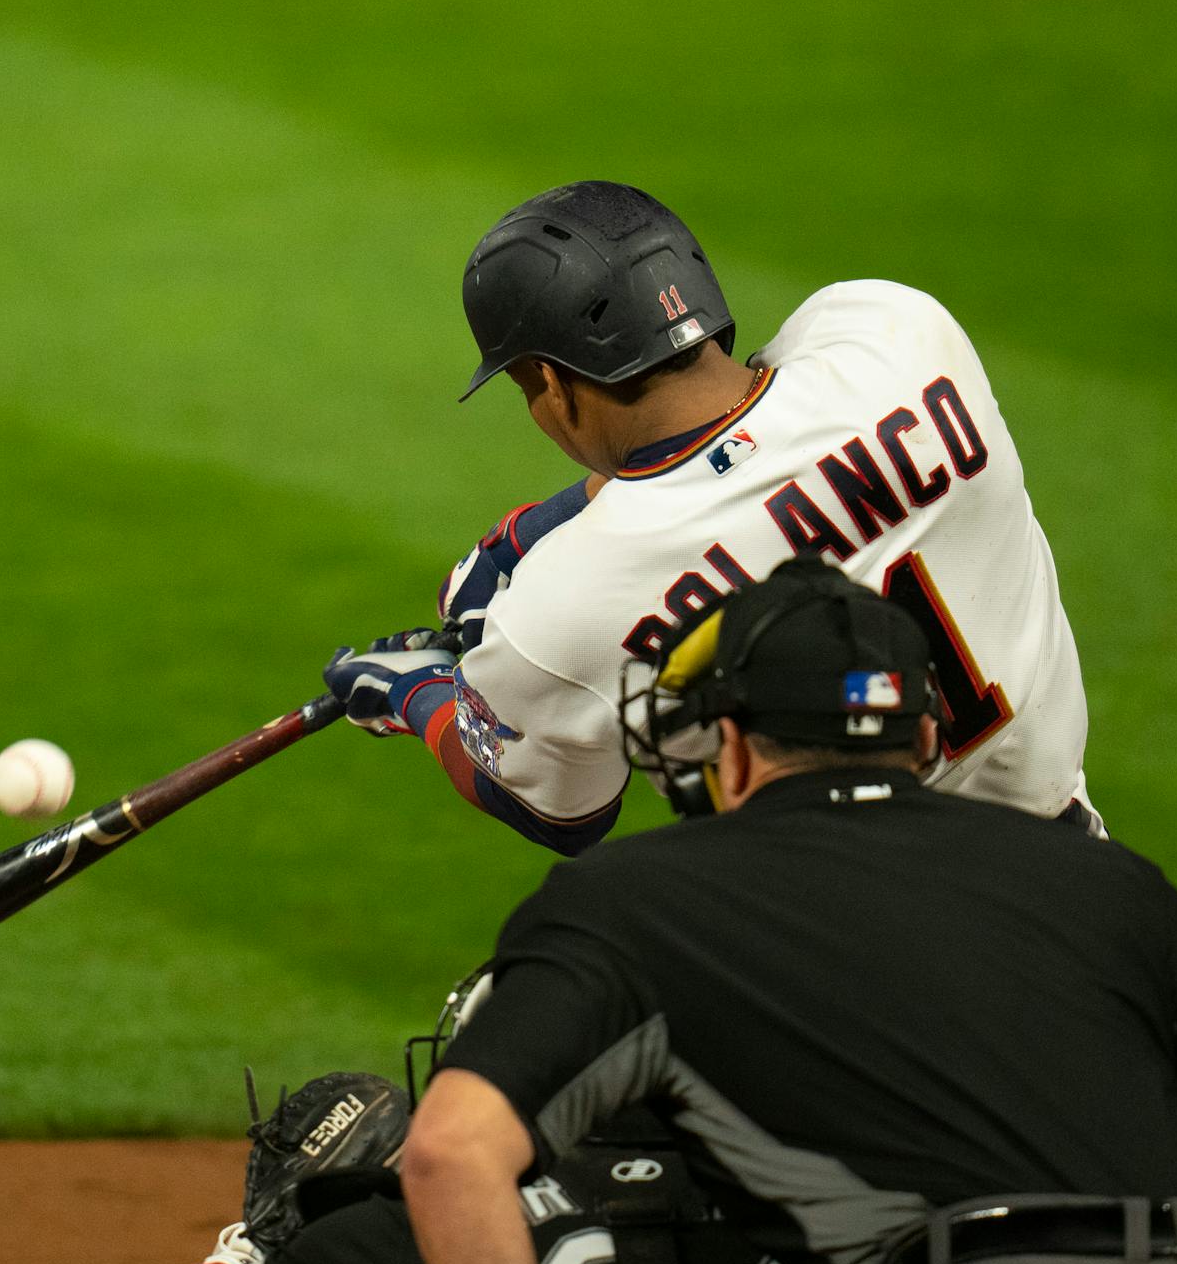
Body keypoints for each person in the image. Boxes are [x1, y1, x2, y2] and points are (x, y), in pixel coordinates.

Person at [138, 559, 1177, 1264]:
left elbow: (455, 1151)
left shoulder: (647, 894)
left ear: (732, 748)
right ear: (916, 737)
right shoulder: (1102, 878)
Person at [323, 180, 1102, 854]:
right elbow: (748, 438)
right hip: (1076, 871)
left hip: (869, 971)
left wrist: (421, 696)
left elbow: (556, 813)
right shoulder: (898, 334)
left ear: (553, 385)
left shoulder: (565, 608)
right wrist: (535, 533)